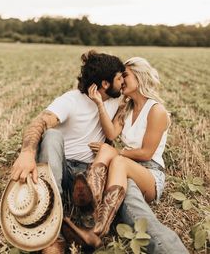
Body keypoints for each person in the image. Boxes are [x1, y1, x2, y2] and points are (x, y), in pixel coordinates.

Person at [11, 51, 188, 254]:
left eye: (125, 76)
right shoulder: (72, 100)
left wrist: (113, 149)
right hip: (65, 171)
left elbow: (137, 146)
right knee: (51, 136)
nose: (122, 82)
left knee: (132, 202)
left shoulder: (120, 100)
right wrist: (26, 153)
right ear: (105, 84)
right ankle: (52, 234)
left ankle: (168, 249)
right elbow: (41, 122)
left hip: (102, 171)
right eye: (120, 77)